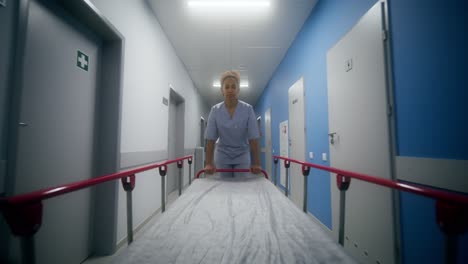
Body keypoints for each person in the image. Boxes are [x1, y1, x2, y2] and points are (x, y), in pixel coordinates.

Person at [204, 70, 261, 177]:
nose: (230, 90)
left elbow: (253, 138)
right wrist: (208, 163)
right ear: (222, 90)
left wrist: (256, 163)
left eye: (233, 87)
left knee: (241, 187)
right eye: (227, 87)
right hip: (222, 154)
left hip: (242, 154)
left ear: (238, 90)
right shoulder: (215, 110)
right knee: (223, 187)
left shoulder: (248, 109)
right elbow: (210, 139)